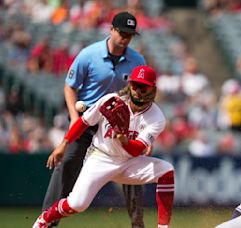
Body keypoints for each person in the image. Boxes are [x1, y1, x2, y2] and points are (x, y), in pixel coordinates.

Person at [33, 66, 174, 228]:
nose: (137, 90)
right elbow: (83, 122)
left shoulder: (157, 118)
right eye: (134, 85)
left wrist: (122, 137)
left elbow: (136, 150)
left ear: (152, 89)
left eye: (143, 86)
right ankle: (45, 218)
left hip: (129, 162)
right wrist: (64, 143)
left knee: (166, 171)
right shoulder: (111, 101)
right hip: (100, 157)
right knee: (77, 204)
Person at [41, 11, 147, 228]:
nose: (126, 37)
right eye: (122, 32)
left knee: (134, 169)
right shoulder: (88, 55)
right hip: (88, 120)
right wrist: (73, 118)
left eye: (130, 34)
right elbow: (70, 86)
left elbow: (141, 96)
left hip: (118, 125)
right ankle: (46, 221)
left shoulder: (137, 60)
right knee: (67, 164)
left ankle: (138, 224)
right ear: (111, 30)